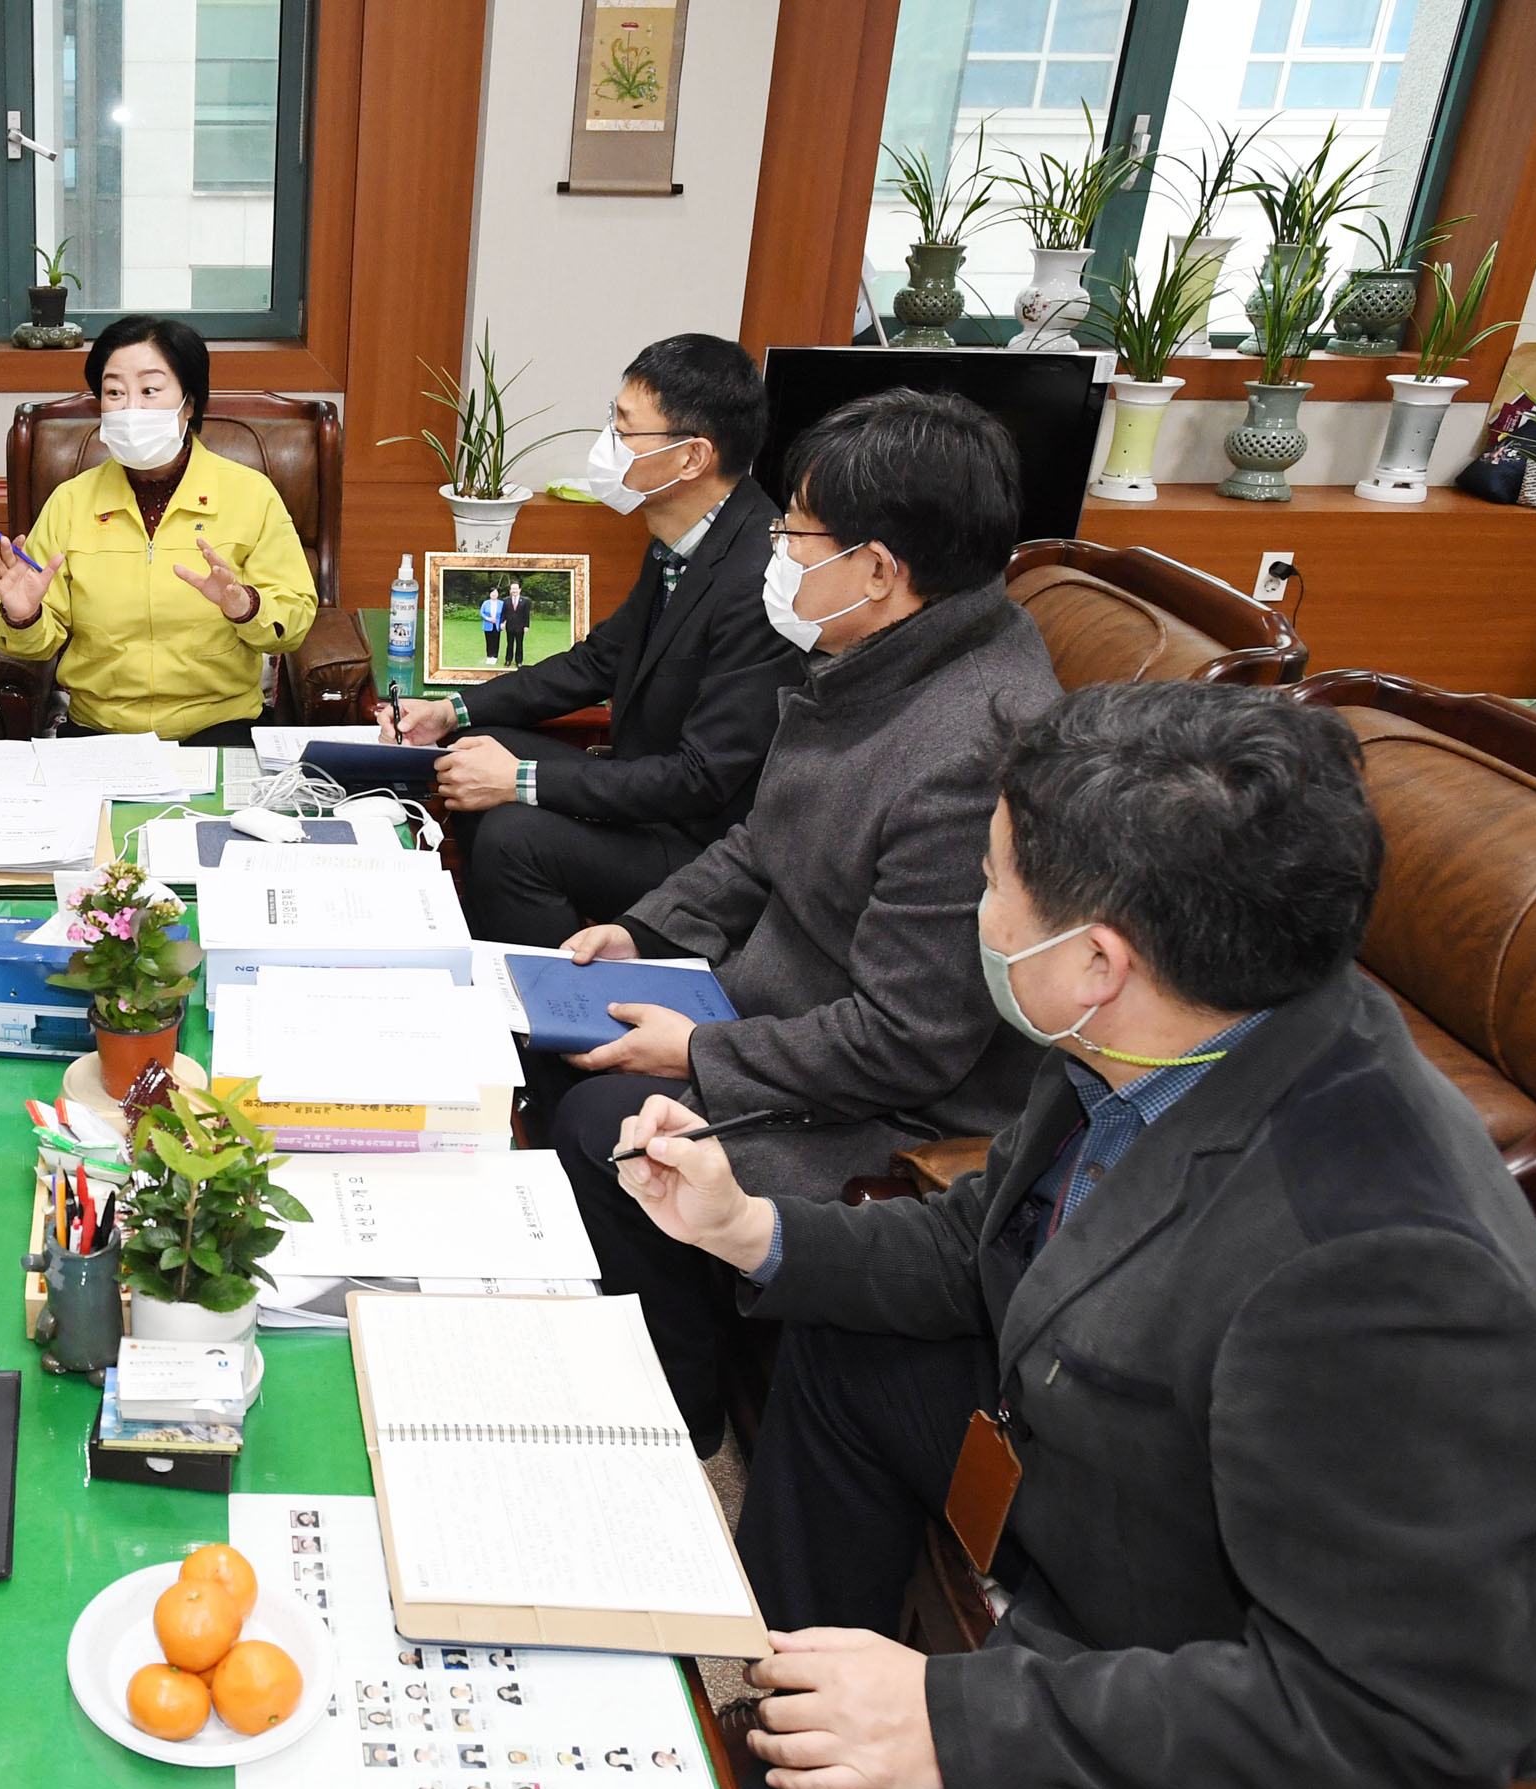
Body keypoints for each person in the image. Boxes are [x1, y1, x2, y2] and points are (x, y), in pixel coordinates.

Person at [608, 682, 1536, 1789]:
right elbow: (988, 1246)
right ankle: (789, 1702)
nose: (976, 910)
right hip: (1139, 1506)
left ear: (1097, 958)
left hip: (1259, 1778)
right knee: (852, 1344)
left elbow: (1388, 1726)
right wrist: (751, 1228)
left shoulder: (1392, 1277)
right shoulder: (1159, 1034)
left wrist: (962, 1721)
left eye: (992, 882)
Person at [548, 388, 1061, 1451]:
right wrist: (640, 931)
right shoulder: (873, 659)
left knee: (606, 1128)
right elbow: (760, 842)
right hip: (776, 1003)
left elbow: (912, 1039)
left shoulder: (973, 750)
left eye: (796, 534)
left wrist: (699, 1049)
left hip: (895, 1107)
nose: (777, 553)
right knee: (558, 1036)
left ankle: (673, 1421)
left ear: (879, 568)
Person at [381, 335, 804, 948]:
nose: (608, 444)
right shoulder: (682, 533)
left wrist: (521, 781)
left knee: (511, 836)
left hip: (703, 849)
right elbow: (600, 659)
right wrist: (452, 710)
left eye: (627, 430)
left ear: (692, 458)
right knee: (476, 745)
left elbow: (700, 779)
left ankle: (553, 1020)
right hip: (650, 798)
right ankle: (496, 947)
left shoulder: (758, 578)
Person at [0, 315, 320, 743]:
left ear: (189, 403)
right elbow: (37, 645)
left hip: (222, 726)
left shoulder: (251, 495)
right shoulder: (70, 502)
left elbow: (296, 620)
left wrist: (245, 605)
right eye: (115, 392)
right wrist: (24, 617)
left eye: (150, 390)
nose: (130, 408)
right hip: (99, 731)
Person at [478, 583, 506, 666]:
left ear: (498, 594)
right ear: (490, 594)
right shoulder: (485, 603)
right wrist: (488, 618)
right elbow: (481, 613)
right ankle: (489, 656)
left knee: (496, 641)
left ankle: (495, 657)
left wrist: (503, 623)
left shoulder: (501, 603)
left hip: (497, 625)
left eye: (496, 593)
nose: (494, 594)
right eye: (492, 593)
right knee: (488, 641)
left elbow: (504, 614)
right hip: (487, 625)